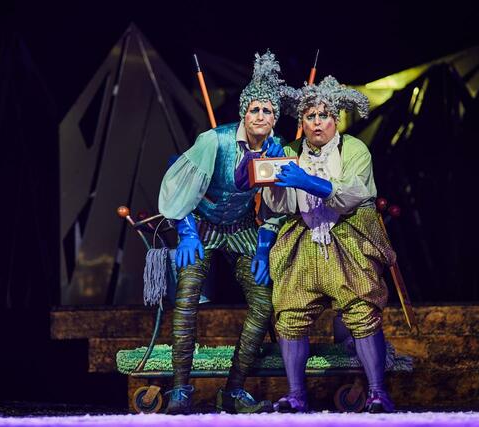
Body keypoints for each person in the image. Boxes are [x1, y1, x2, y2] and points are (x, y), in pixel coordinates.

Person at [158, 50, 287, 414]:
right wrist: (186, 230)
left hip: (242, 228)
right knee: (186, 298)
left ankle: (233, 390)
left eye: (267, 111)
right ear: (244, 112)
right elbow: (179, 182)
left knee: (264, 304)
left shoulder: (276, 150)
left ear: (275, 117)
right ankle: (180, 389)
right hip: (201, 224)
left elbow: (276, 204)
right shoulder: (213, 140)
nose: (260, 116)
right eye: (254, 109)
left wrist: (263, 247)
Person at [263, 76, 397, 413]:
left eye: (324, 115)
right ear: (302, 121)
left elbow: (353, 193)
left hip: (348, 239)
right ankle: (296, 395)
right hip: (304, 242)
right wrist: (273, 172)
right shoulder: (291, 152)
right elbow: (279, 206)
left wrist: (307, 180)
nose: (317, 122)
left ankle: (377, 392)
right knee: (290, 312)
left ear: (335, 119)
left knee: (362, 310)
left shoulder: (354, 149)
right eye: (310, 116)